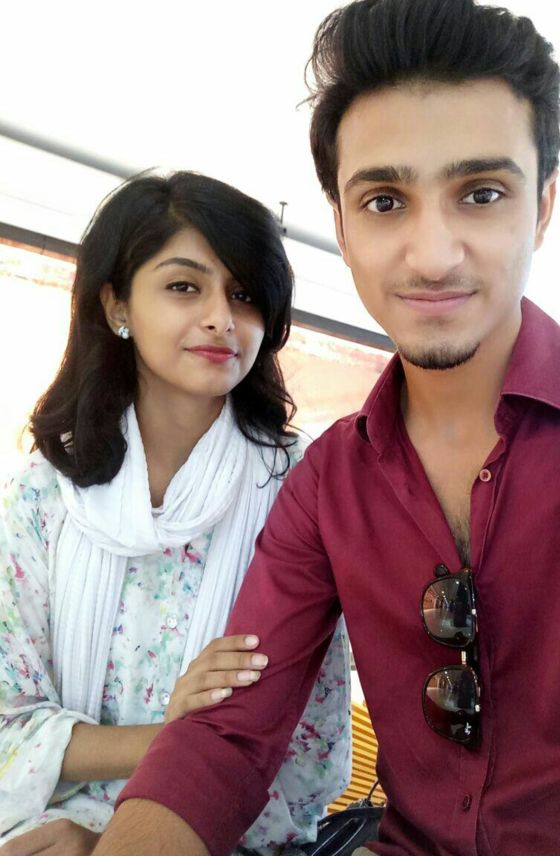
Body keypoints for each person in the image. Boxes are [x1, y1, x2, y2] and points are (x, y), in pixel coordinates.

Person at [94, 1, 560, 854]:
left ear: (542, 206)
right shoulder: (325, 486)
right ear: (342, 226)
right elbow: (229, 739)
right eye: (385, 201)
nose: (432, 255)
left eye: (482, 194)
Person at [0, 172, 351, 854]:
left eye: (244, 294)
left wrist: (135, 831)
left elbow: (309, 752)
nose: (222, 317)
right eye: (185, 287)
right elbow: (9, 727)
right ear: (117, 304)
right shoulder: (43, 495)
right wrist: (175, 738)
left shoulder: (300, 490)